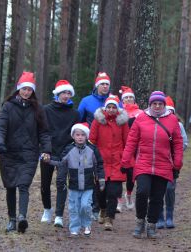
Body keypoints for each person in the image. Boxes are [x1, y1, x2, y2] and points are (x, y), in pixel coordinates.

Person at [122, 91, 183, 239]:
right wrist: (125, 160)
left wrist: (177, 163)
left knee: (157, 196)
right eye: (154, 103)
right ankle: (140, 221)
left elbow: (178, 143)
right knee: (142, 192)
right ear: (150, 104)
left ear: (164, 104)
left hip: (163, 164)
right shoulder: (141, 118)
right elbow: (132, 140)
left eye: (160, 103)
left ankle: (152, 224)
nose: (157, 106)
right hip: (143, 162)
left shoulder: (172, 120)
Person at [0, 71, 51, 233]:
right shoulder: (8, 106)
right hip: (9, 153)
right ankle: (12, 219)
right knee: (11, 186)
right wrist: (0, 144)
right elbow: (1, 127)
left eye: (29, 90)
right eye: (24, 89)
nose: (27, 92)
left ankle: (22, 217)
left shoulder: (38, 109)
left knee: (24, 185)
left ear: (32, 91)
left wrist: (46, 149)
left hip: (29, 154)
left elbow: (44, 132)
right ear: (19, 88)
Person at [46, 123, 105, 236]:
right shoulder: (69, 149)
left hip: (88, 185)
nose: (80, 137)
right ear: (73, 136)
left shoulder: (92, 149)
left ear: (86, 136)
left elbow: (99, 164)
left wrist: (101, 179)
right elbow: (61, 163)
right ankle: (74, 227)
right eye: (77, 134)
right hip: (73, 185)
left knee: (85, 206)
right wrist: (48, 161)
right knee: (74, 207)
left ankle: (87, 224)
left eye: (83, 135)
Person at [40, 80, 80, 227]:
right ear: (57, 93)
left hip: (65, 153)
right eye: (64, 92)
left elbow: (76, 134)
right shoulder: (46, 110)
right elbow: (43, 131)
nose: (66, 95)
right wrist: (45, 150)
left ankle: (59, 216)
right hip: (47, 151)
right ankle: (47, 209)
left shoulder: (75, 113)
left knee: (62, 183)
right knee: (45, 183)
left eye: (69, 93)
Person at [89, 95, 129, 231]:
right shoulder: (98, 121)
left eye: (114, 107)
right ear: (105, 108)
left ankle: (109, 218)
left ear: (117, 109)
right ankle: (103, 209)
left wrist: (125, 158)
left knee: (114, 192)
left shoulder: (122, 123)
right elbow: (92, 141)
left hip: (117, 161)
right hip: (101, 161)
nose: (111, 109)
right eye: (109, 107)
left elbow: (127, 141)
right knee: (101, 191)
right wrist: (93, 157)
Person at [77, 72, 111, 220]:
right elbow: (79, 120)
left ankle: (102, 206)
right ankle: (92, 207)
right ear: (97, 85)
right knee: (91, 175)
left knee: (104, 176)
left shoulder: (113, 101)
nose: (105, 86)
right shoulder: (86, 101)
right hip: (90, 144)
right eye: (102, 84)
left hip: (109, 145)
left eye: (107, 84)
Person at [156, 96, 187, 230]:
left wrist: (175, 152)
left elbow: (184, 142)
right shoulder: (155, 123)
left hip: (172, 163)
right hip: (157, 161)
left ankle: (169, 215)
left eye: (170, 111)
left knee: (169, 189)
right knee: (157, 191)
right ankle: (159, 217)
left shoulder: (178, 125)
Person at [119, 86, 143, 211]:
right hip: (120, 146)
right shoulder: (118, 112)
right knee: (118, 174)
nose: (128, 99)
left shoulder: (140, 113)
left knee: (131, 174)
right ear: (122, 100)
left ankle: (128, 194)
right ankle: (119, 201)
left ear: (134, 100)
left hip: (135, 147)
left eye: (130, 98)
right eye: (126, 97)